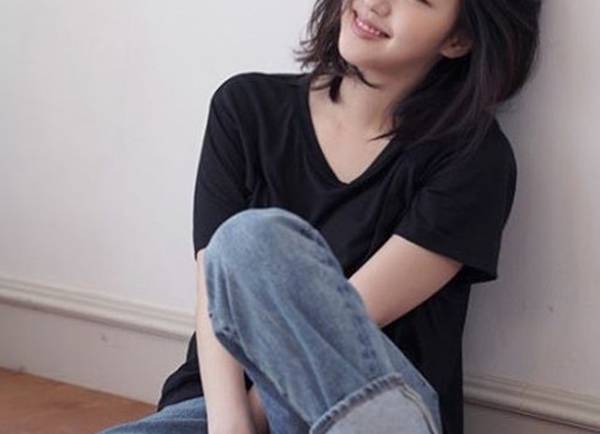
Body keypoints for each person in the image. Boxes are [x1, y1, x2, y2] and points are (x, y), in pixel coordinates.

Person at [96, 0, 543, 433]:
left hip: (362, 408)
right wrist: (229, 425)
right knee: (232, 250)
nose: (377, 3)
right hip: (218, 407)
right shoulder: (245, 109)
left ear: (458, 39)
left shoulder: (473, 158)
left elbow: (333, 328)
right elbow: (214, 297)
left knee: (251, 240)